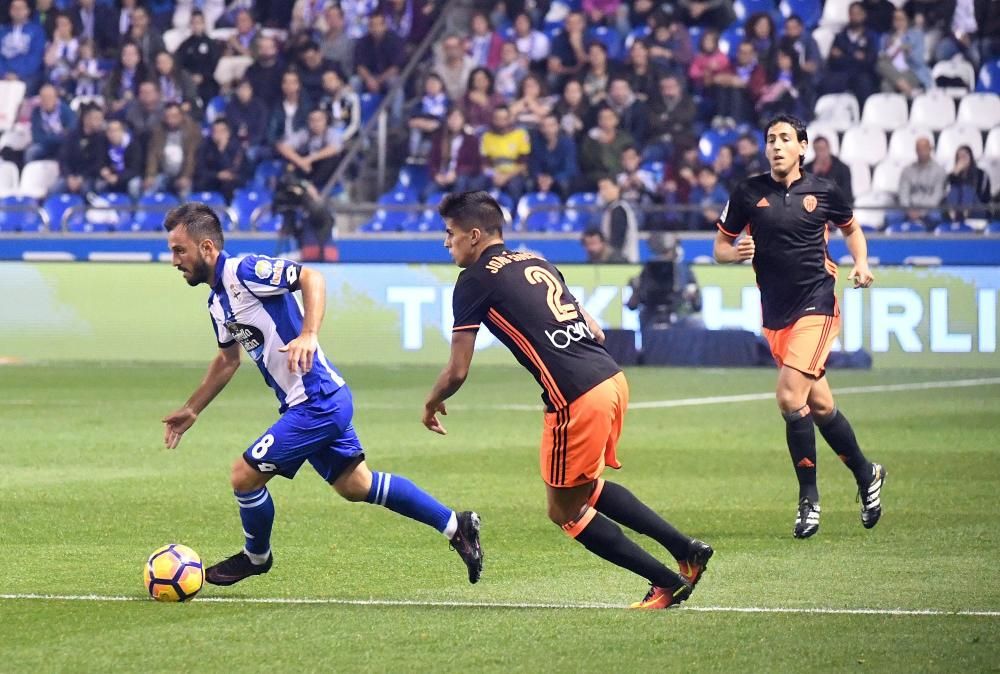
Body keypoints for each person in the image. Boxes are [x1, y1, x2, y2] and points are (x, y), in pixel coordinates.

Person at [161, 203, 483, 588]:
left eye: (180, 250)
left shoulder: (244, 271)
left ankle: (256, 557)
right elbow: (228, 360)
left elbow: (311, 277)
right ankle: (455, 525)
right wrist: (192, 409)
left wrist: (309, 333)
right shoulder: (216, 302)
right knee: (356, 486)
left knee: (243, 476)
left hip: (317, 400)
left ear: (207, 247)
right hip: (313, 402)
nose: (174, 260)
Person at [423, 191, 712, 609]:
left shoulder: (474, 280)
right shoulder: (535, 261)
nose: (446, 243)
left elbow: (457, 371)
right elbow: (594, 329)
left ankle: (667, 581)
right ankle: (685, 549)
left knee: (563, 511)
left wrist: (431, 402)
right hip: (611, 378)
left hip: (575, 397)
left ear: (473, 235)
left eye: (449, 234)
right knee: (587, 487)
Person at [713, 113, 886, 539]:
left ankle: (809, 499)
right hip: (776, 315)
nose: (775, 145)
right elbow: (719, 246)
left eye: (785, 138)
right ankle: (867, 473)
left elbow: (852, 229)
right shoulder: (748, 193)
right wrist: (734, 254)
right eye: (770, 138)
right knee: (821, 405)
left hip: (818, 305)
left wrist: (861, 262)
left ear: (802, 147)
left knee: (790, 396)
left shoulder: (824, 191)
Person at [627, 232, 702, 330]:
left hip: (677, 313)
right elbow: (633, 305)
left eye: (668, 251)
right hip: (651, 312)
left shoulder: (684, 270)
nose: (665, 256)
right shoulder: (649, 269)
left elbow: (698, 305)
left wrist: (692, 295)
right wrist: (636, 290)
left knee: (696, 323)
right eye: (663, 252)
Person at [898, 136, 945, 227]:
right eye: (919, 149)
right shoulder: (907, 170)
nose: (921, 152)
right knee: (891, 217)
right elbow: (903, 194)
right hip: (910, 208)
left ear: (930, 149)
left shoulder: (939, 171)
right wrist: (909, 210)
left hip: (930, 209)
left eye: (924, 149)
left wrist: (922, 212)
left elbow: (937, 196)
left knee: (936, 217)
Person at [804, 136, 853, 204]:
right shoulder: (807, 169)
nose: (821, 152)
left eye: (823, 148)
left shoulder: (842, 169)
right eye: (818, 149)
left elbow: (847, 195)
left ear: (829, 148)